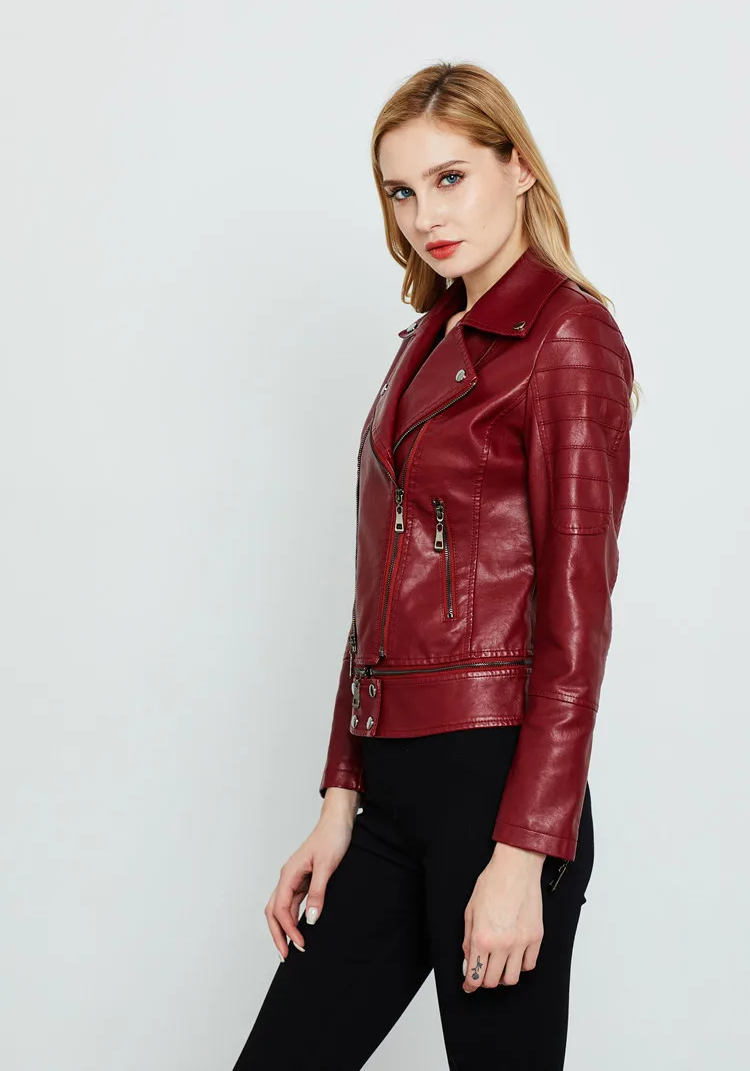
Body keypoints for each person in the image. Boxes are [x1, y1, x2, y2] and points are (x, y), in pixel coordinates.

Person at [232, 60, 640, 1070]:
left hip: (497, 787)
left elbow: (577, 627)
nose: (425, 216)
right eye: (402, 191)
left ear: (519, 168)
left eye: (450, 178)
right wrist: (338, 802)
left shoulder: (568, 337)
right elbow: (380, 593)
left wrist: (524, 851)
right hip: (394, 791)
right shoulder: (426, 340)